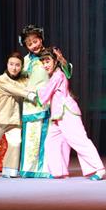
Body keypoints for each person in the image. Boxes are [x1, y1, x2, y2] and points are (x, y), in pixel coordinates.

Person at [34, 47, 106, 180]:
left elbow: (46, 92)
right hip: (57, 114)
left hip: (67, 112)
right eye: (43, 62)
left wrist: (32, 95)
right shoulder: (56, 75)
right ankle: (59, 171)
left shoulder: (58, 75)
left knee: (79, 140)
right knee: (52, 141)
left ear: (55, 61)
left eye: (47, 61)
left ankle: (98, 169)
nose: (45, 65)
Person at [19, 25, 72, 178]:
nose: (33, 45)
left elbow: (67, 73)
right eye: (29, 43)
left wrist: (62, 60)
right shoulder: (25, 60)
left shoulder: (50, 55)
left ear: (41, 39)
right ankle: (30, 169)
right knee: (32, 137)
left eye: (35, 41)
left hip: (50, 102)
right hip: (31, 102)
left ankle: (50, 169)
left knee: (49, 138)